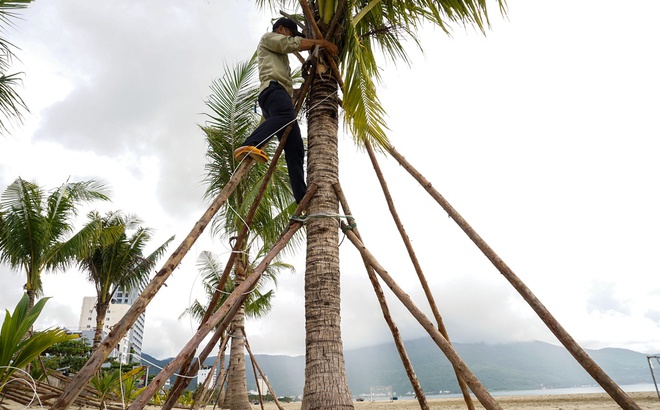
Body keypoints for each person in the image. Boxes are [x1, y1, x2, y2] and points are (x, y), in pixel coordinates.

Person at [234, 17, 338, 203]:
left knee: (295, 146)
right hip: (273, 90)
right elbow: (289, 44)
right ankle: (251, 143)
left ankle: (301, 197)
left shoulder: (278, 57)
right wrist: (321, 43)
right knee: (285, 116)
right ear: (281, 29)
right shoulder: (269, 38)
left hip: (277, 95)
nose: (291, 37)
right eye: (290, 33)